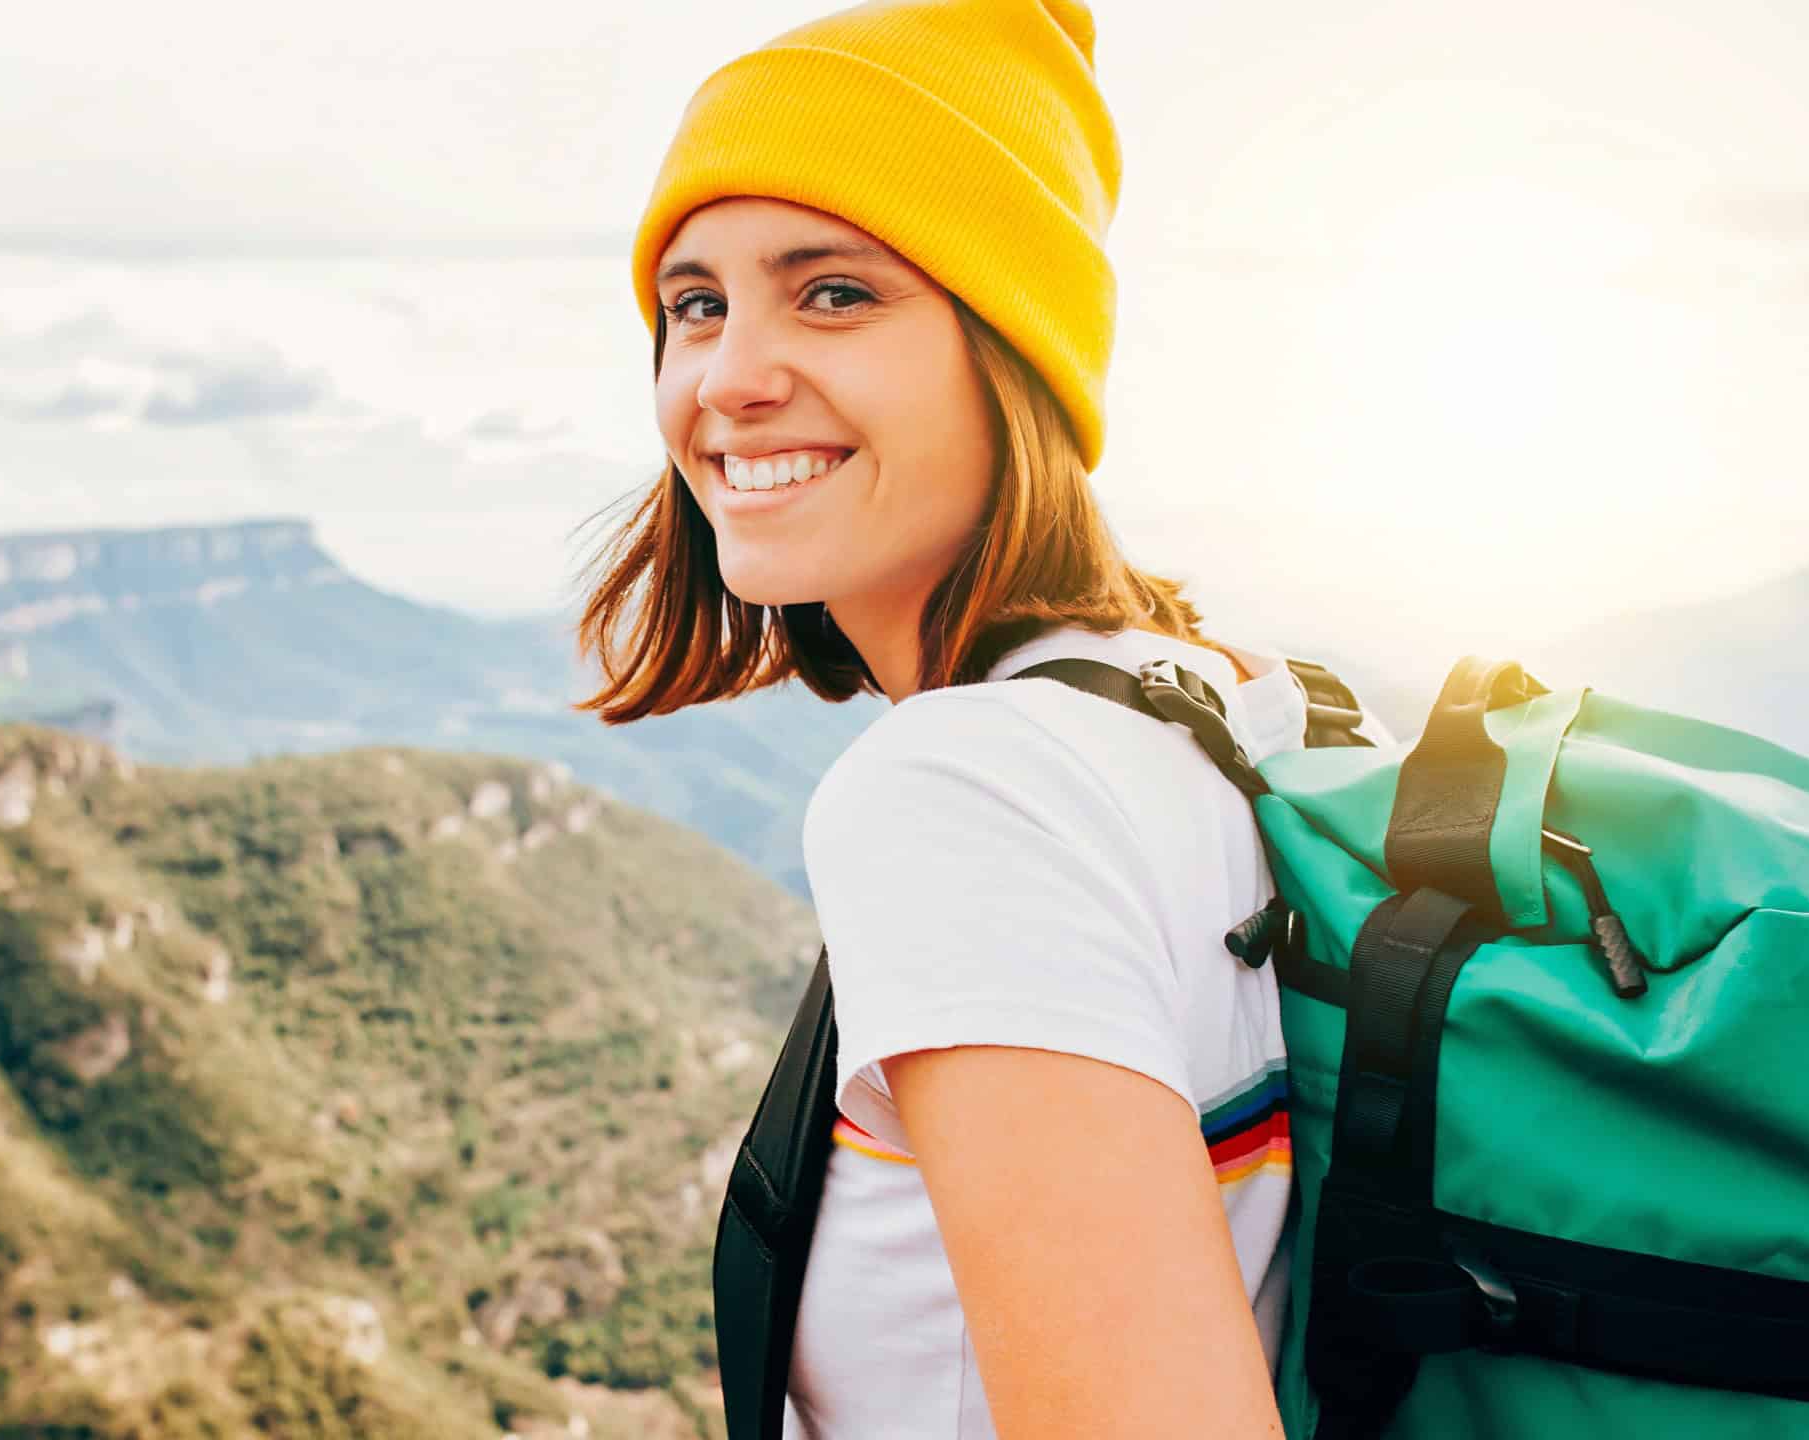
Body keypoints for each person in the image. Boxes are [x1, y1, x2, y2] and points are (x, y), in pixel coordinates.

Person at [578, 2, 1388, 1435]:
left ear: (1015, 354)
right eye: (694, 304)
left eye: (834, 293)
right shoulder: (1240, 697)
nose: (727, 377)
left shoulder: (964, 787)